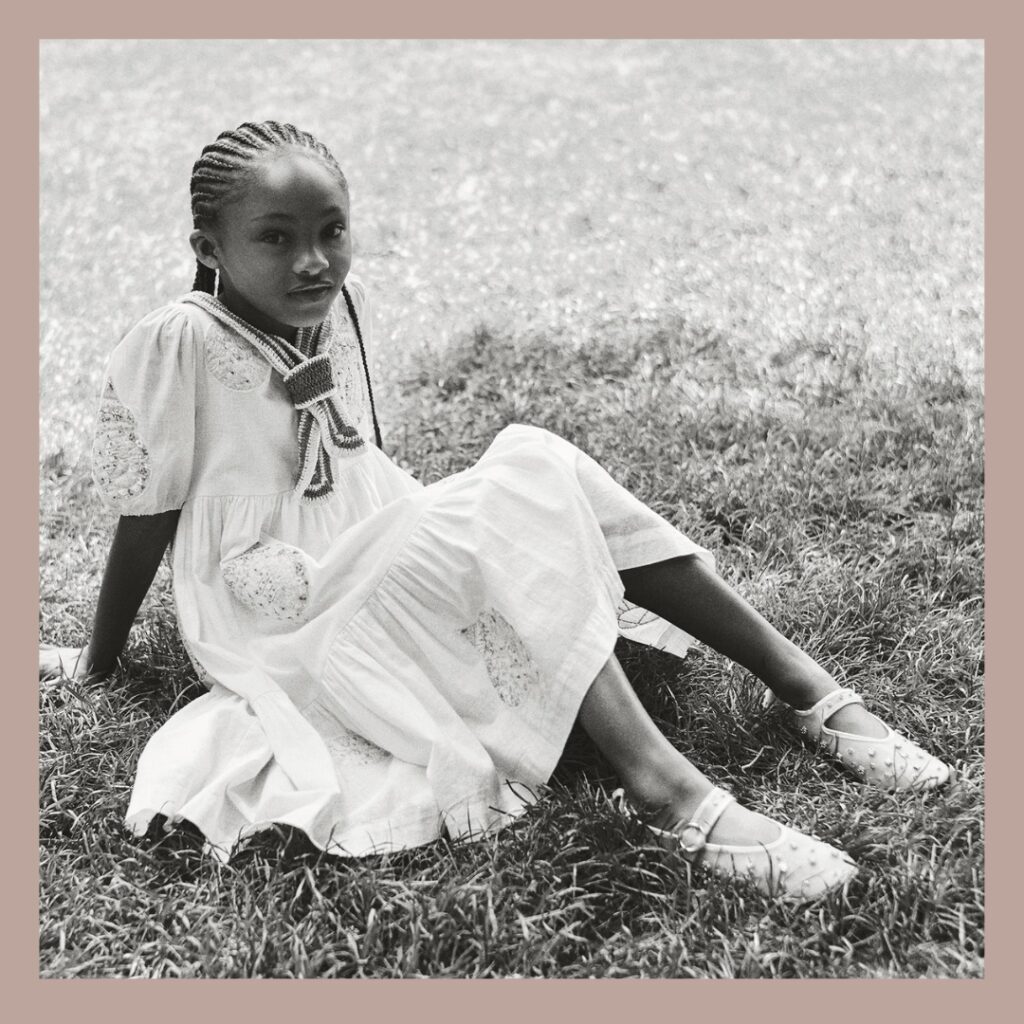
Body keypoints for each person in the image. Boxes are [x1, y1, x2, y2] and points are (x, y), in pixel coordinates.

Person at [39, 121, 952, 902]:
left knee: (536, 465)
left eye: (332, 230)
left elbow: (356, 470)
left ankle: (811, 693)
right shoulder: (180, 339)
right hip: (281, 604)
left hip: (366, 541)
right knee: (498, 499)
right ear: (209, 247)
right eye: (275, 238)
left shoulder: (318, 309)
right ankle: (670, 793)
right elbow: (146, 511)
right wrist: (98, 659)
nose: (313, 259)